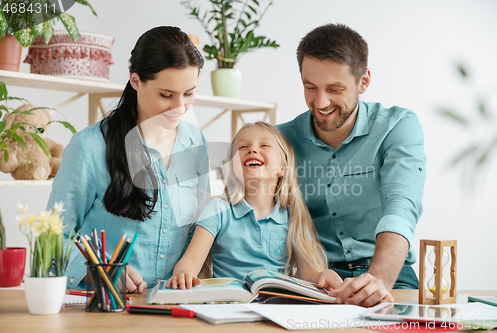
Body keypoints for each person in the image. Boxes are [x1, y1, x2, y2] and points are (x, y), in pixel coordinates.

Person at [47, 26, 209, 293]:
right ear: (136, 81)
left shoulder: (196, 142)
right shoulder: (90, 147)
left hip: (176, 303)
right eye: (166, 95)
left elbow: (199, 227)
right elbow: (52, 238)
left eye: (189, 93)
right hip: (109, 305)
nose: (179, 107)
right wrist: (100, 271)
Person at [277, 23, 426, 307]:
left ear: (363, 81)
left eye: (335, 89)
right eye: (310, 87)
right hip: (317, 279)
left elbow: (401, 204)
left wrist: (378, 279)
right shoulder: (281, 140)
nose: (320, 102)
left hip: (390, 274)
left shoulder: (397, 126)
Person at [166, 122, 343, 290]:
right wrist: (184, 272)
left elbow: (309, 274)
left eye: (265, 145)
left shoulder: (293, 218)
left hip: (273, 307)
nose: (252, 149)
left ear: (282, 167)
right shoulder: (217, 210)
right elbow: (190, 261)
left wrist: (321, 275)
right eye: (242, 147)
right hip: (228, 305)